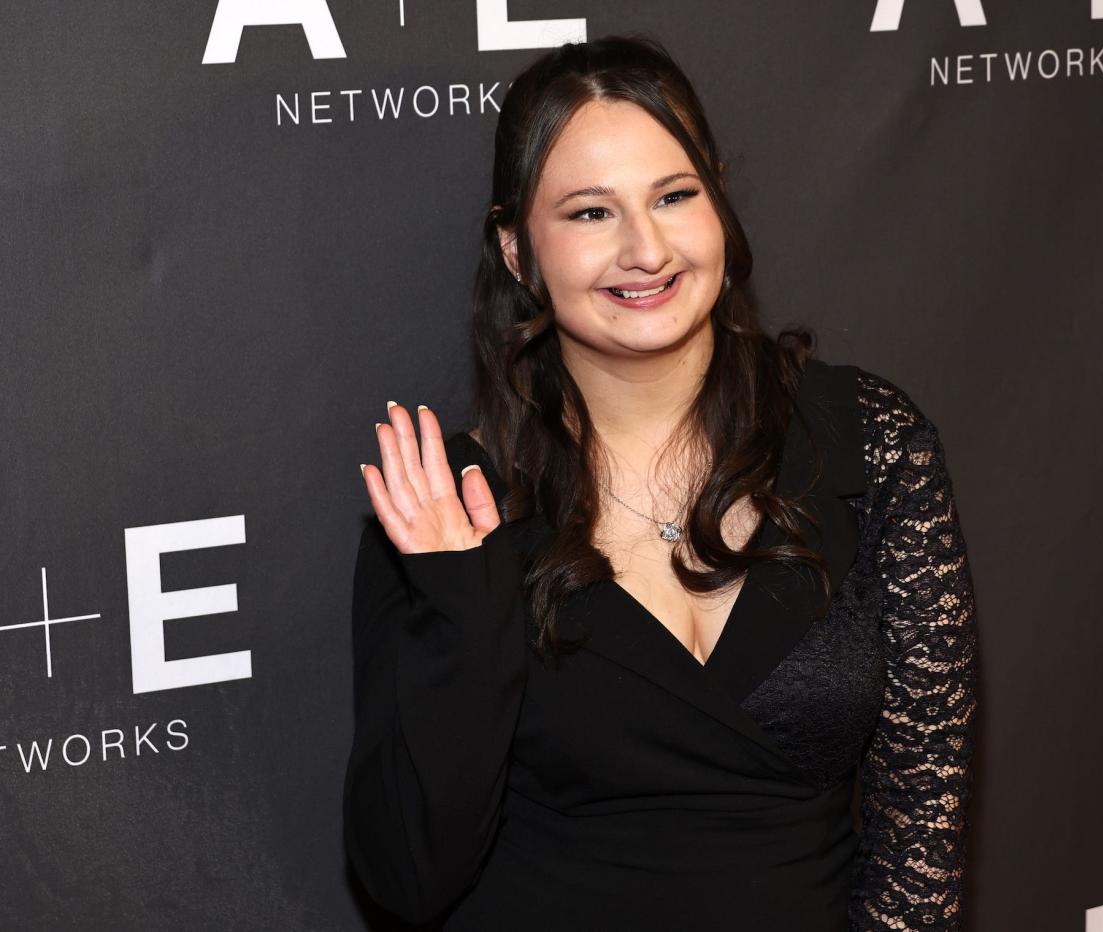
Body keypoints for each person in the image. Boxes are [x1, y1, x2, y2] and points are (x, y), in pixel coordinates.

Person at [343, 33, 977, 932]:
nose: (647, 249)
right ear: (517, 251)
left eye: (675, 197)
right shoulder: (447, 506)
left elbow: (924, 823)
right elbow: (406, 878)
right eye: (591, 214)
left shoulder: (870, 442)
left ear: (717, 200)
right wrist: (464, 609)